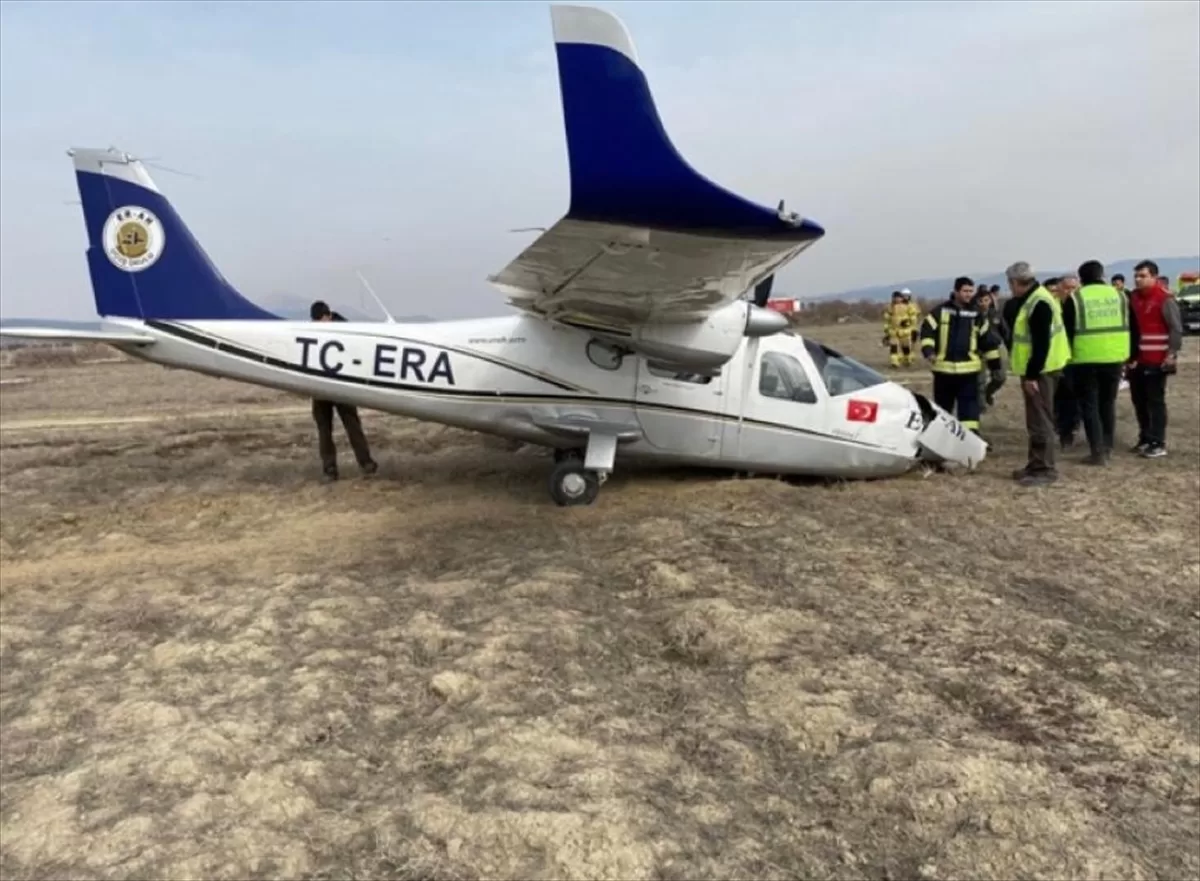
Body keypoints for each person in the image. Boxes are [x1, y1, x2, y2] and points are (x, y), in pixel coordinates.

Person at [1005, 261, 1071, 487]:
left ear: (1015, 282)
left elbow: (1041, 344)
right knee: (1035, 420)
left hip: (1041, 372)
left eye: (1010, 284)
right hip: (1042, 369)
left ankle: (1045, 469)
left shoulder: (1038, 303)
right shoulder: (1038, 297)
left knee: (1040, 421)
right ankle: (1034, 464)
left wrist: (1032, 375)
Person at [918, 276, 1004, 440]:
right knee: (943, 409)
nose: (968, 294)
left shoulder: (977, 315)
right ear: (956, 291)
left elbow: (987, 342)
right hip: (943, 371)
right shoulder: (940, 312)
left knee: (970, 410)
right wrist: (929, 351)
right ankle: (940, 439)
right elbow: (927, 332)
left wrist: (995, 366)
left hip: (969, 372)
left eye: (971, 291)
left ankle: (971, 439)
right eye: (965, 291)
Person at [1066, 260, 1131, 465]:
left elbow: (1067, 332)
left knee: (1090, 405)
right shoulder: (1120, 296)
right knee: (1107, 403)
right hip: (1114, 357)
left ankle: (1097, 451)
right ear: (1102, 275)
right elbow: (1133, 326)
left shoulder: (1075, 298)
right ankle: (1108, 446)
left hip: (1085, 358)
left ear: (1081, 278)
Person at [309, 300, 379, 481]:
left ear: (329, 316)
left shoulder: (347, 331)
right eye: (316, 322)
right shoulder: (313, 332)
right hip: (321, 387)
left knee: (352, 424)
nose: (319, 325)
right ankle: (329, 468)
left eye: (321, 320)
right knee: (324, 429)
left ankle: (366, 463)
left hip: (342, 385)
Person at [1127, 260, 1184, 458]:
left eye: (1143, 276)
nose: (1138, 280)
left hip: (1157, 359)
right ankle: (1144, 438)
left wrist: (1171, 354)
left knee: (1155, 401)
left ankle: (1158, 442)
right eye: (1136, 276)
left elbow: (1175, 328)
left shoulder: (1165, 299)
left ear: (1154, 277)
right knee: (1139, 401)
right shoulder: (1132, 298)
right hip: (1136, 360)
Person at [882, 291, 916, 368]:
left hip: (905, 331)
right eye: (895, 298)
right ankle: (894, 362)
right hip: (893, 331)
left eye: (898, 298)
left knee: (905, 347)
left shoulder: (908, 306)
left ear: (901, 298)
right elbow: (887, 319)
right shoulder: (890, 307)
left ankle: (907, 359)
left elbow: (913, 317)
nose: (896, 299)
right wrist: (886, 329)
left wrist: (908, 322)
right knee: (893, 347)